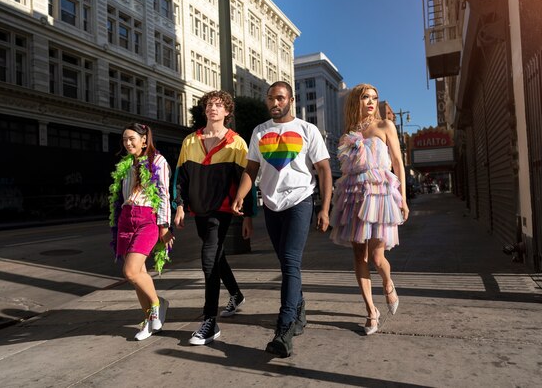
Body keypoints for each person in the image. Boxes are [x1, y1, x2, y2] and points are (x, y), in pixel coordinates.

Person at [232, 81, 332, 358]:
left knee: (290, 261)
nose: (274, 103)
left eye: (280, 98)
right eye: (270, 99)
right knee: (286, 262)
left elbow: (323, 170)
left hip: (300, 200)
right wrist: (242, 195)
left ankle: (285, 328)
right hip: (272, 205)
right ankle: (299, 310)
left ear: (290, 100)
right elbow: (251, 169)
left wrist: (324, 208)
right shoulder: (259, 131)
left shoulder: (307, 130)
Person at [173, 90, 255, 346]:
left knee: (209, 258)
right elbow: (180, 178)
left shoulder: (236, 143)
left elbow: (247, 178)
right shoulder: (190, 141)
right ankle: (236, 294)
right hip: (199, 209)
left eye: (219, 105)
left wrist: (248, 216)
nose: (213, 108)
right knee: (217, 256)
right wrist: (179, 205)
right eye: (209, 104)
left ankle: (210, 320)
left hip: (222, 210)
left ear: (227, 111)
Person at [329, 83, 409, 335]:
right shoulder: (347, 135)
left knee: (376, 257)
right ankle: (371, 311)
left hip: (380, 195)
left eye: (374, 97)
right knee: (358, 257)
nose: (371, 102)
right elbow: (346, 170)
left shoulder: (386, 127)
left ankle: (387, 283)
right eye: (365, 97)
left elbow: (397, 163)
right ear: (356, 102)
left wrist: (403, 199)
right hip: (353, 196)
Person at [108, 123, 173, 341]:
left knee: (130, 271)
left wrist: (164, 225)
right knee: (139, 275)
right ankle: (149, 320)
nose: (127, 143)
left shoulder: (158, 161)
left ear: (144, 139)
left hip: (148, 219)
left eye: (132, 138)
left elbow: (164, 194)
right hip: (127, 218)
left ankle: (156, 306)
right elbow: (121, 197)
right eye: (124, 139)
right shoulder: (126, 164)